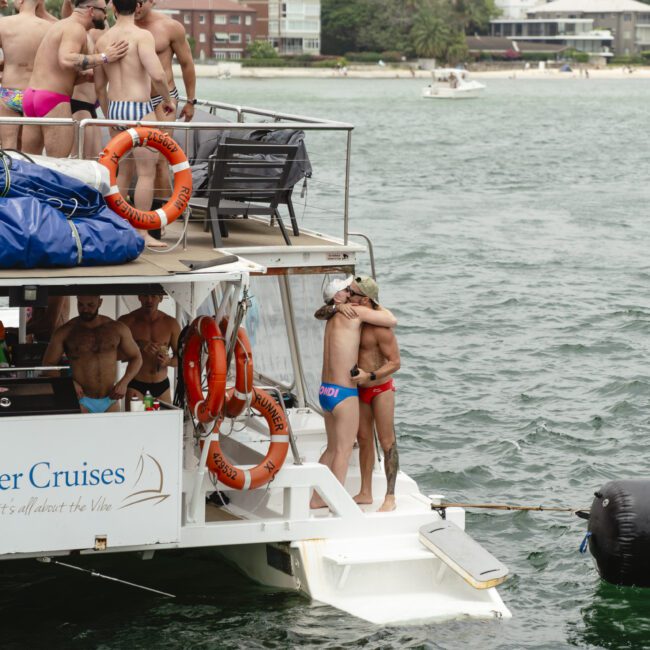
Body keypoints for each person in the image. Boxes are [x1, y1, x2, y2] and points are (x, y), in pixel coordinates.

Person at [310, 276, 397, 509]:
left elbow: (319, 312)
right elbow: (391, 318)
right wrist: (342, 303)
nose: (348, 294)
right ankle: (336, 503)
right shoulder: (354, 313)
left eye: (352, 291)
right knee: (343, 451)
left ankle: (316, 499)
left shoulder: (332, 316)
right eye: (346, 290)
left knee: (331, 449)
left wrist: (336, 304)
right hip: (344, 392)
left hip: (325, 391)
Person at [94, 0, 174, 248]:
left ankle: (120, 226)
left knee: (124, 173)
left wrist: (109, 115)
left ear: (114, 8)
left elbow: (99, 86)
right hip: (139, 109)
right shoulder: (142, 36)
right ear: (137, 7)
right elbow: (158, 74)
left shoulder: (103, 40)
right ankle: (141, 232)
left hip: (117, 109)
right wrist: (168, 100)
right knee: (146, 173)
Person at [21, 0, 128, 158]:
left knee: (29, 161)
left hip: (32, 96)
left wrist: (85, 76)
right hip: (52, 100)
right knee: (58, 164)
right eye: (104, 11)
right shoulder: (75, 29)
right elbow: (66, 59)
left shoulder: (61, 25)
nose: (106, 15)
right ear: (91, 11)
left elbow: (58, 68)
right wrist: (105, 56)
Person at [347, 276, 401, 512]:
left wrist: (370, 376)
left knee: (387, 441)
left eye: (352, 293)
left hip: (380, 388)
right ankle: (365, 492)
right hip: (358, 390)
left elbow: (395, 363)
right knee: (365, 440)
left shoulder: (381, 329)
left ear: (366, 299)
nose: (348, 296)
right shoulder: (352, 319)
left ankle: (390, 496)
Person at [134, 0, 196, 200]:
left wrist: (191, 101)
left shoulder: (170, 27)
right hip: (135, 100)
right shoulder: (123, 25)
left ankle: (161, 220)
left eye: (141, 2)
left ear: (153, 1)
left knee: (161, 160)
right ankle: (140, 215)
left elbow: (187, 64)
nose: (137, 6)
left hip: (164, 99)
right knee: (136, 161)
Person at [42, 295, 142, 413]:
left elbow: (136, 357)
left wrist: (124, 382)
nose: (85, 309)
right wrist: (68, 383)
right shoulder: (65, 331)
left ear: (100, 302)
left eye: (90, 305)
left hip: (110, 399)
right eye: (81, 305)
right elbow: (47, 365)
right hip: (81, 400)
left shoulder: (116, 328)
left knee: (114, 432)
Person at [0, 0, 51, 149]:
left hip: (10, 92)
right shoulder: (48, 28)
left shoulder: (4, 24)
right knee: (32, 151)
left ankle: (9, 173)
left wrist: (8, 64)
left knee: (8, 147)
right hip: (35, 94)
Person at [118, 293, 180, 407]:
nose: (149, 299)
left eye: (154, 296)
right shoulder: (127, 321)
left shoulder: (171, 323)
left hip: (162, 385)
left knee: (164, 424)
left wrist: (169, 362)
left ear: (161, 298)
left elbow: (181, 358)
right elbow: (115, 354)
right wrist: (138, 345)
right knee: (135, 424)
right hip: (136, 384)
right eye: (145, 295)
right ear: (139, 297)